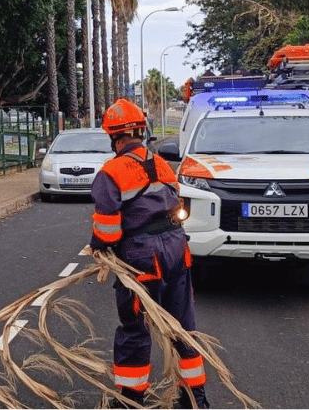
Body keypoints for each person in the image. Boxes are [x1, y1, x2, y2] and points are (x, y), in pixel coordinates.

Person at [90, 98, 210, 409]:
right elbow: (176, 206)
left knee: (135, 329)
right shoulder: (162, 165)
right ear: (141, 132)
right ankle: (195, 398)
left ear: (115, 137)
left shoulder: (111, 172)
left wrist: (98, 247)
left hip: (143, 258)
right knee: (182, 327)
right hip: (176, 249)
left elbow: (108, 232)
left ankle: (130, 400)